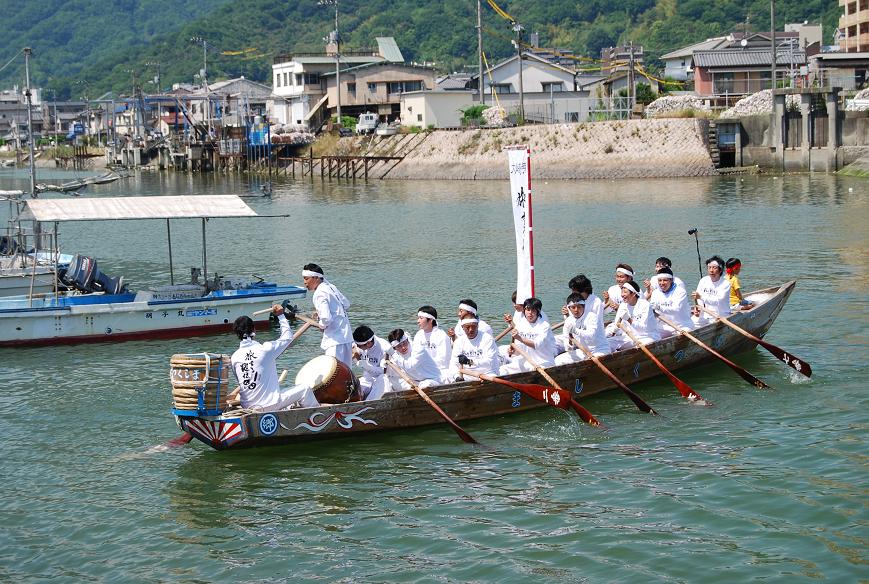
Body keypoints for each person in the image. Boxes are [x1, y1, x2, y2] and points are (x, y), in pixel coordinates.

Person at [227, 305, 319, 411]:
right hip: (269, 405)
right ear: (254, 330)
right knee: (304, 389)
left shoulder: (234, 357)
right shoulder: (265, 349)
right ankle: (318, 416)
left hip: (247, 407)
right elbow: (287, 337)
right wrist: (281, 315)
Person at [302, 263, 353, 366]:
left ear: (316, 278)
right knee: (347, 371)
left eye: (306, 278)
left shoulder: (319, 293)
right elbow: (346, 304)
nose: (304, 282)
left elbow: (326, 319)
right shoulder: (331, 287)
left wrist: (321, 325)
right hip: (346, 338)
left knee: (333, 371)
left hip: (334, 340)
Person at [500, 297, 557, 374]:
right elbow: (519, 348)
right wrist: (513, 351)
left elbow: (536, 345)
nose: (530, 313)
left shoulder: (544, 326)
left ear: (538, 311)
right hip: (526, 361)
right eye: (528, 310)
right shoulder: (520, 325)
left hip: (543, 362)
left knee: (533, 371)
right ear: (524, 310)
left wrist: (519, 338)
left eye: (533, 310)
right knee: (503, 369)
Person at [555, 293, 611, 365]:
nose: (576, 310)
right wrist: (569, 345)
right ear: (569, 308)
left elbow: (591, 335)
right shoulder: (568, 321)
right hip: (583, 351)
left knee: (590, 363)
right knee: (558, 361)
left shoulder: (591, 316)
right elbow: (566, 339)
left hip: (600, 350)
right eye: (573, 307)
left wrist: (575, 330)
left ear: (584, 307)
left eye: (579, 307)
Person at [607, 280, 660, 350]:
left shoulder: (645, 305)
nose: (622, 295)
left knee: (643, 344)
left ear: (634, 294)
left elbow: (643, 328)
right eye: (622, 292)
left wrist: (629, 320)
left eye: (625, 292)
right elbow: (617, 324)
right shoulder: (623, 305)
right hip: (629, 337)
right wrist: (611, 332)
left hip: (647, 336)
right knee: (607, 343)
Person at [648, 267, 693, 337]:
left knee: (680, 337)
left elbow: (675, 310)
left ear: (671, 280)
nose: (662, 283)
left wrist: (658, 307)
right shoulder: (655, 293)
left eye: (665, 280)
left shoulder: (680, 292)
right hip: (663, 326)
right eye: (660, 280)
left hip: (682, 325)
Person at [352, 325, 392, 401]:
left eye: (358, 345)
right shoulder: (361, 344)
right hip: (367, 378)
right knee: (352, 393)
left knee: (372, 399)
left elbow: (385, 371)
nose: (357, 346)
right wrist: (355, 358)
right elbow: (354, 352)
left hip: (381, 380)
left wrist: (367, 367)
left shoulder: (384, 347)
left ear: (368, 343)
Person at [692, 255, 732, 325]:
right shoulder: (703, 280)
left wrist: (701, 297)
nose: (711, 270)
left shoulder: (725, 284)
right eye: (709, 267)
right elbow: (698, 298)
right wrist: (698, 308)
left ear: (720, 270)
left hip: (721, 315)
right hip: (706, 313)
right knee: (691, 322)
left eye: (714, 268)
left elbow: (718, 301)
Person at [413, 305, 452, 369]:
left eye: (421, 318)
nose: (418, 321)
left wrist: (427, 366)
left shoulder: (441, 336)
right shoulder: (418, 335)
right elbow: (415, 355)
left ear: (430, 320)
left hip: (439, 370)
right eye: (418, 318)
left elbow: (443, 361)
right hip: (422, 369)